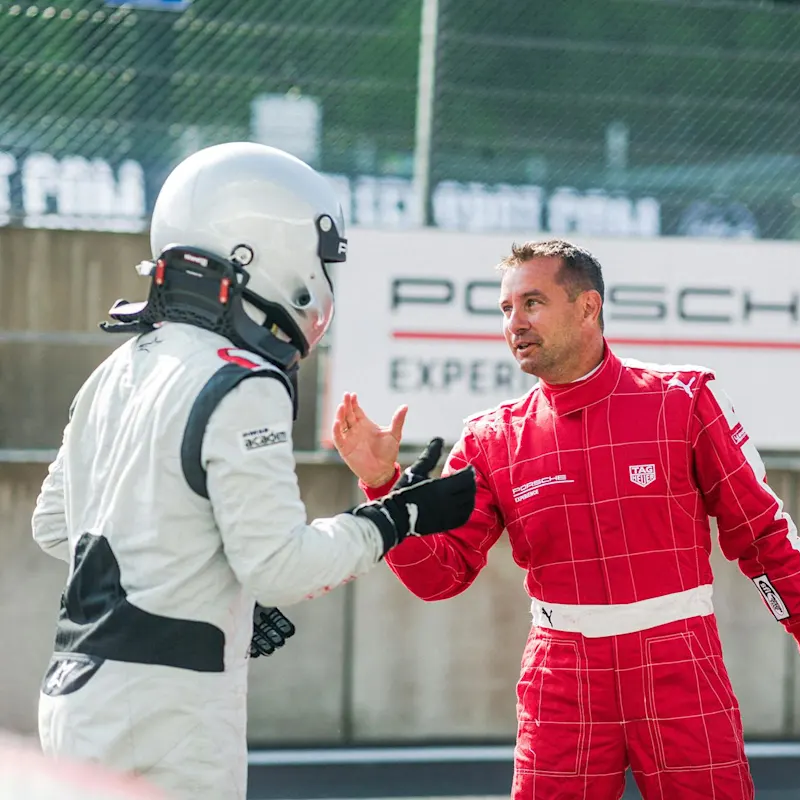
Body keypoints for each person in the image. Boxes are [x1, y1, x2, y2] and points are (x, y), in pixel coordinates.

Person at [333, 238, 800, 800]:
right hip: (561, 675)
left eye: (533, 302)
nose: (515, 322)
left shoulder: (683, 398)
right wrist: (383, 487)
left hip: (680, 661)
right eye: (506, 309)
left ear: (589, 308)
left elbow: (759, 531)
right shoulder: (490, 438)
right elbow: (439, 578)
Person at [29, 141, 476, 800]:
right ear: (264, 249)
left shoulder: (117, 368)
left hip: (72, 691)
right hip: (168, 704)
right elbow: (280, 568)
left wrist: (205, 582)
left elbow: (53, 526)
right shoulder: (243, 382)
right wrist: (398, 516)